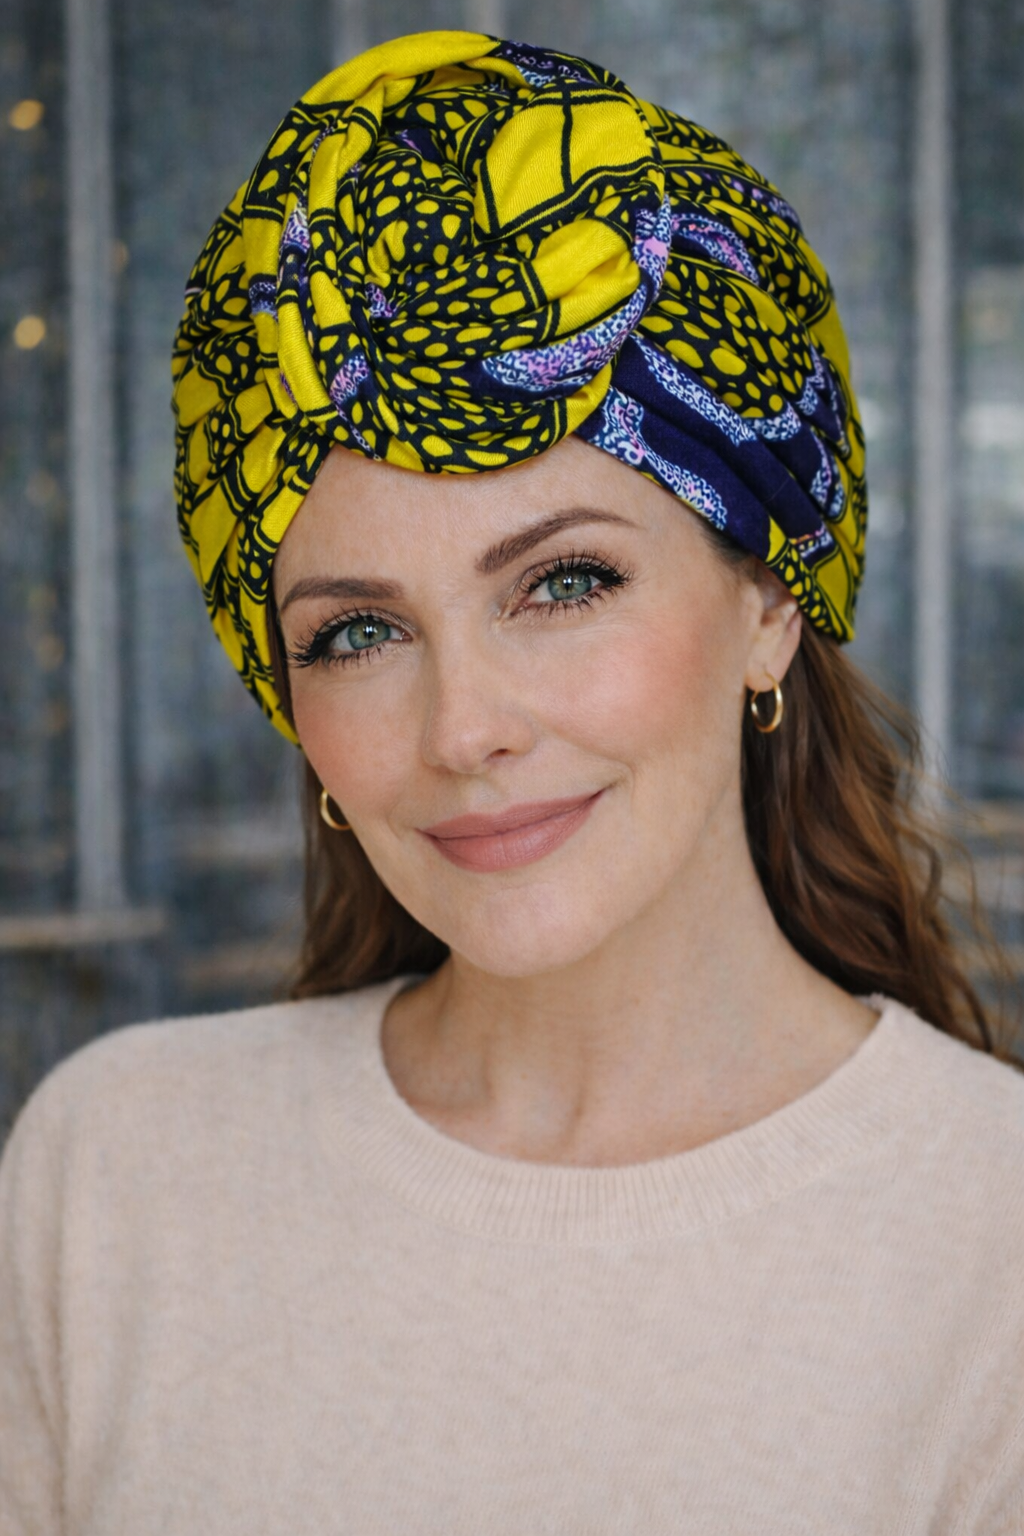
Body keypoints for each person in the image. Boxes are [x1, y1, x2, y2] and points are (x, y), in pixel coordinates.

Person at [1, 28, 1022, 1534]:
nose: (462, 728)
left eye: (563, 582)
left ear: (767, 601)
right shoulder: (115, 1178)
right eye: (357, 633)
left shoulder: (994, 1251)